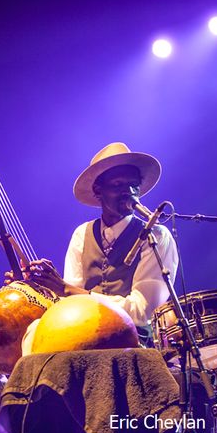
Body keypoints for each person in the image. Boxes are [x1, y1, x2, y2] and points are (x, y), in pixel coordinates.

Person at [21, 142, 179, 354]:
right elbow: (67, 301)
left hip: (132, 341)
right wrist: (36, 286)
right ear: (98, 190)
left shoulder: (156, 235)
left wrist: (68, 290)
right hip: (84, 332)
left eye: (134, 185)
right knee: (34, 331)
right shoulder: (82, 234)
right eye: (118, 185)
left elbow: (141, 311)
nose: (129, 192)